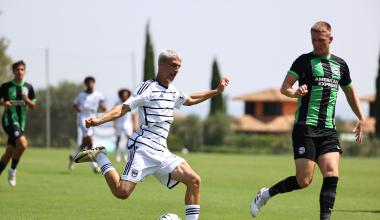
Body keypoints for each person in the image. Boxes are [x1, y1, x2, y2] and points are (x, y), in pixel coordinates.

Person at [73, 49, 229, 220]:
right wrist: (99, 120)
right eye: (173, 66)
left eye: (179, 67)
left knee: (194, 181)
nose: (177, 70)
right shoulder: (147, 88)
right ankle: (100, 157)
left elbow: (189, 99)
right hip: (144, 149)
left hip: (163, 152)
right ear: (161, 64)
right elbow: (123, 108)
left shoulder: (172, 91)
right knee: (122, 192)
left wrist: (216, 91)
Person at [250, 21, 365, 220]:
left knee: (332, 174)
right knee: (304, 180)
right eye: (313, 40)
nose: (316, 44)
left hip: (328, 130)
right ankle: (266, 194)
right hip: (306, 128)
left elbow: (350, 93)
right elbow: (284, 87)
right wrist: (295, 92)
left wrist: (361, 117)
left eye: (320, 40)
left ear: (330, 39)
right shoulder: (303, 61)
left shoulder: (341, 65)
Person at [0, 60, 36, 187]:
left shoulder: (29, 87)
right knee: (23, 144)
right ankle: (13, 170)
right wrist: (3, 103)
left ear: (25, 71)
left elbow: (33, 105)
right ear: (13, 71)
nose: (19, 72)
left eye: (22, 69)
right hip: (9, 121)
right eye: (17, 69)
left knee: (9, 153)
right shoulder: (6, 87)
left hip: (21, 123)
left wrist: (27, 100)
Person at [68, 76, 106, 172]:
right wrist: (78, 109)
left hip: (93, 120)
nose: (90, 84)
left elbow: (103, 105)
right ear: (86, 84)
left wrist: (102, 107)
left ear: (94, 83)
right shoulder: (81, 95)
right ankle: (94, 166)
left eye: (92, 82)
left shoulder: (98, 95)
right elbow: (74, 104)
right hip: (83, 120)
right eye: (88, 83)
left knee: (88, 144)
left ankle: (74, 155)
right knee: (90, 140)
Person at [113, 88, 134, 162]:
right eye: (123, 94)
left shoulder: (130, 102)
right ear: (121, 95)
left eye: (126, 94)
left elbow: (133, 115)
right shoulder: (117, 103)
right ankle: (117, 155)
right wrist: (114, 123)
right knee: (118, 139)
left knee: (129, 140)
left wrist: (134, 124)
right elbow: (113, 113)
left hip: (128, 123)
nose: (124, 96)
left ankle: (126, 154)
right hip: (119, 122)